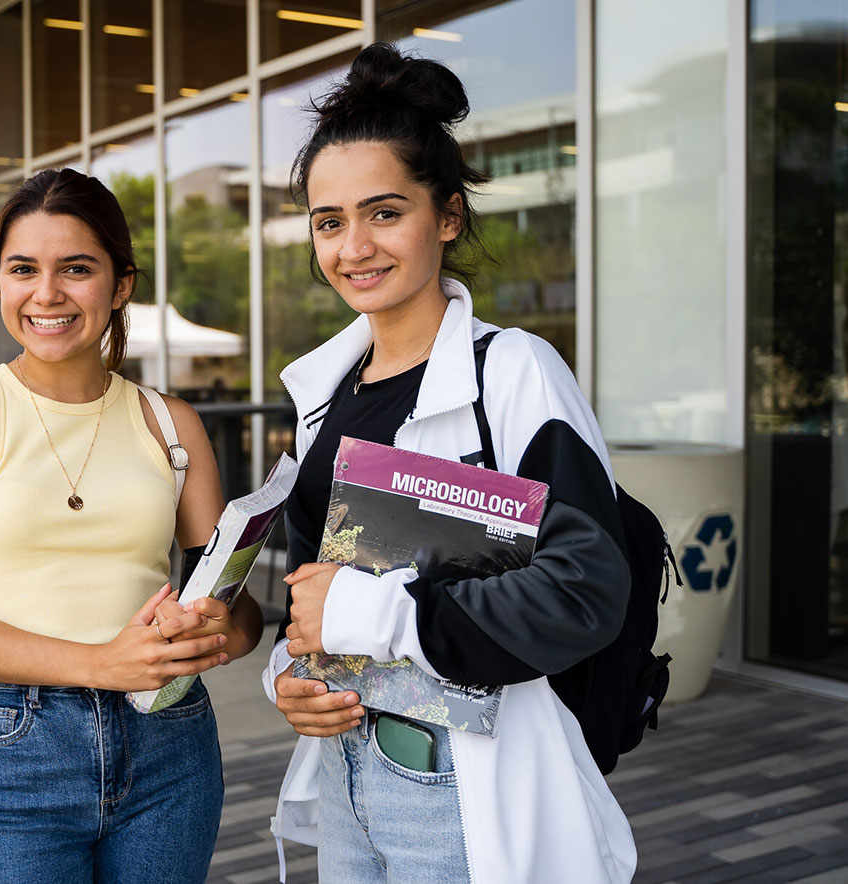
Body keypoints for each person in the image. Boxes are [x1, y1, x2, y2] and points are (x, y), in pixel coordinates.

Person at [263, 44, 637, 883]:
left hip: (461, 783)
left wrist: (376, 615)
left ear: (449, 217)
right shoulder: (325, 392)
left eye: (385, 212)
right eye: (329, 222)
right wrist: (291, 677)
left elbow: (584, 589)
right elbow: (317, 590)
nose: (353, 245)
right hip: (346, 769)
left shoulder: (514, 373)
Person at [0, 168, 264, 884]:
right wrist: (100, 664)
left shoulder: (171, 424)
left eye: (76, 269)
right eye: (23, 270)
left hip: (170, 739)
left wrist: (212, 630)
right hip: (19, 743)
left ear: (120, 284)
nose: (47, 293)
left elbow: (238, 611)